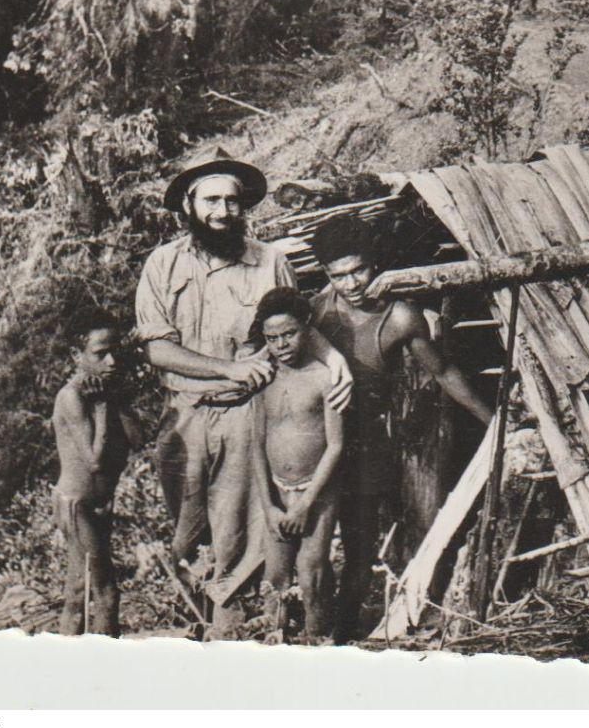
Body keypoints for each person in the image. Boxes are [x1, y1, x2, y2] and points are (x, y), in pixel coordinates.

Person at [134, 146, 351, 634]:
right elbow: (158, 350)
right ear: (188, 205)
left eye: (231, 202)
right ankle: (193, 613)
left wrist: (336, 362)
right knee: (186, 529)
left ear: (244, 207)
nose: (221, 212)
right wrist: (225, 369)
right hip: (184, 414)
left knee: (237, 528)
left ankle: (234, 625)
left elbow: (299, 323)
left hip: (244, 414)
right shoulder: (162, 265)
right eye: (210, 201)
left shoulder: (269, 261)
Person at [308, 215, 492, 642]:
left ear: (375, 264)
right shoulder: (317, 312)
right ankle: (310, 632)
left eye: (359, 270)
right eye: (340, 275)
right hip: (315, 435)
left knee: (362, 544)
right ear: (326, 275)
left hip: (367, 440)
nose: (352, 283)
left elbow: (443, 371)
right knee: (312, 543)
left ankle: (352, 632)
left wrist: (492, 420)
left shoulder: (401, 317)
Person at [247, 288, 345, 642]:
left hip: (316, 491)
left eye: (289, 334)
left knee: (311, 569)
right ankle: (277, 642)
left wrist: (306, 503)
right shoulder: (263, 378)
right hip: (277, 488)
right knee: (276, 574)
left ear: (306, 327)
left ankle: (318, 640)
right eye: (272, 338)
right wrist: (269, 505)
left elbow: (336, 445)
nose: (281, 344)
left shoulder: (324, 376)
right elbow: (256, 444)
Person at [51, 309, 142, 637]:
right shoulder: (72, 397)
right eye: (100, 354)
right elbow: (93, 461)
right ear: (77, 356)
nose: (112, 361)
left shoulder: (106, 394)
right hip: (77, 506)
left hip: (98, 506)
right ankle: (105, 669)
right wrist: (102, 412)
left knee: (77, 592)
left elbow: (139, 439)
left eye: (114, 352)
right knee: (106, 592)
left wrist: (112, 403)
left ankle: (69, 663)